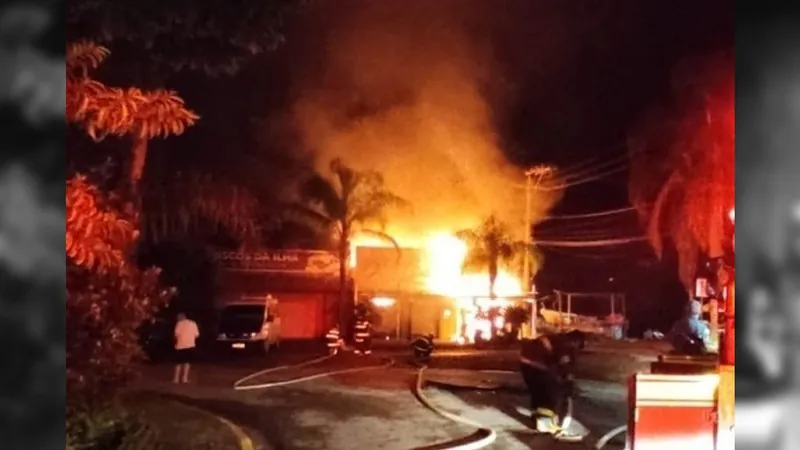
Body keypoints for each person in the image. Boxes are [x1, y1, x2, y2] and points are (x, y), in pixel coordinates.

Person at [519, 331, 585, 441]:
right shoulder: (566, 344)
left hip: (525, 362)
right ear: (576, 341)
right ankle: (545, 423)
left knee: (537, 391)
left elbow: (560, 363)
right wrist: (568, 381)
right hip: (535, 364)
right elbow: (564, 364)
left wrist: (566, 377)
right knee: (550, 392)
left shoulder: (558, 338)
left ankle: (537, 418)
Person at [173, 312, 199, 384]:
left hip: (180, 346)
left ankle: (176, 379)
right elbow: (197, 335)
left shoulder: (179, 324)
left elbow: (176, 334)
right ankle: (185, 378)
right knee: (187, 363)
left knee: (178, 363)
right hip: (190, 345)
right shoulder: (193, 323)